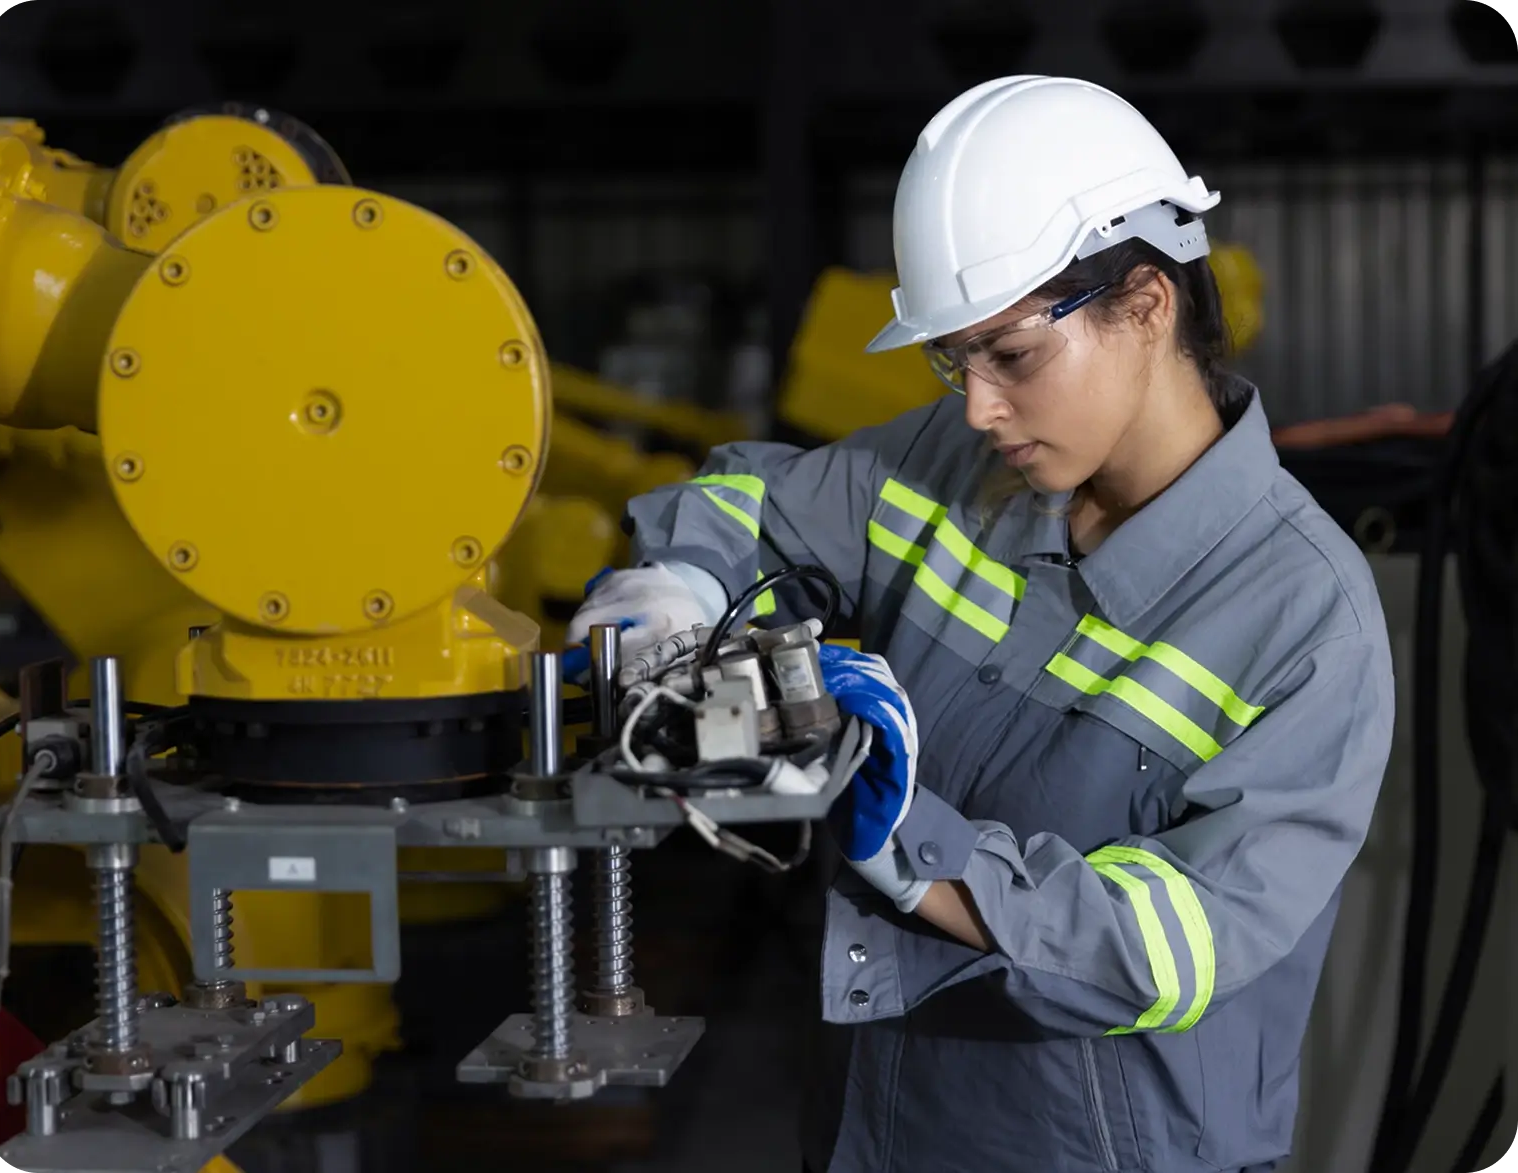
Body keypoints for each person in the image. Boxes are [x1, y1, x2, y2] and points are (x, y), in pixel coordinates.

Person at [569, 76, 1394, 1173]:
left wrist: (911, 850)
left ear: (1147, 305)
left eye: (1011, 355)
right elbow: (752, 506)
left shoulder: (1304, 621)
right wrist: (675, 589)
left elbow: (1180, 945)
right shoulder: (951, 471)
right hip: (875, 1129)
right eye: (953, 360)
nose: (976, 407)